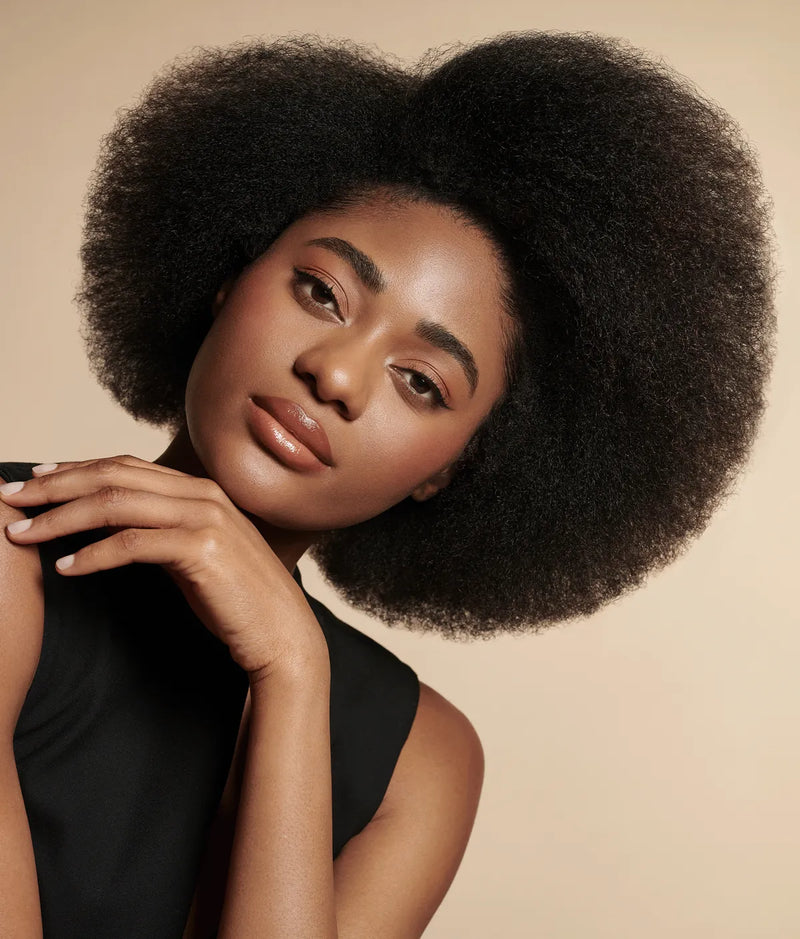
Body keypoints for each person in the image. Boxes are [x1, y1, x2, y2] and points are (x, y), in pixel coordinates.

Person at [0, 31, 775, 937]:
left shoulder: (422, 764)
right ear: (228, 277)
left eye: (422, 381)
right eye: (323, 292)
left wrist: (292, 674)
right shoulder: (11, 557)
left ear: (447, 468)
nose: (335, 374)